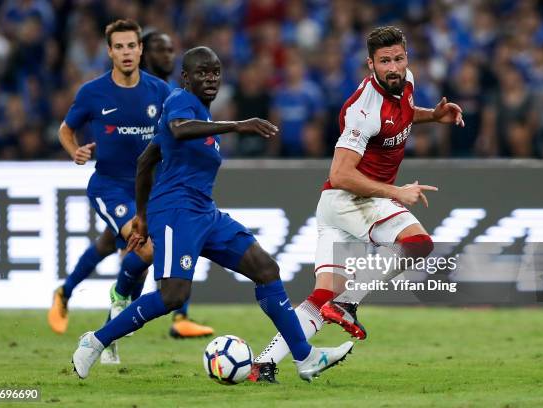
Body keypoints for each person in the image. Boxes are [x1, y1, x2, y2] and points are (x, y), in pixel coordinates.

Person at [72, 46, 353, 382]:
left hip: (204, 211)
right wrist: (237, 125)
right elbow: (177, 128)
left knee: (265, 268)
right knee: (172, 296)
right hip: (176, 211)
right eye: (202, 72)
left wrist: (143, 217)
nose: (210, 78)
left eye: (215, 72)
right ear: (186, 78)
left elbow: (146, 161)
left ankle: (305, 358)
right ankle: (96, 340)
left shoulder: (203, 115)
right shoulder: (181, 101)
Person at [250, 26, 465, 383]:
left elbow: (405, 112)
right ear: (371, 65)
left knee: (321, 294)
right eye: (384, 62)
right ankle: (347, 302)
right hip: (351, 199)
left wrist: (433, 116)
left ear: (406, 58)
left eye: (398, 58)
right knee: (418, 243)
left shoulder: (406, 81)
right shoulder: (362, 110)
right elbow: (341, 174)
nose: (393, 67)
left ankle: (263, 365)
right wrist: (396, 192)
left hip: (334, 207)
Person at [52, 19, 171, 362]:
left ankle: (108, 333)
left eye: (131, 46)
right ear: (110, 52)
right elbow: (65, 128)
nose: (126, 52)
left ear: (140, 49)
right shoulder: (93, 92)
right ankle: (119, 299)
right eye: (119, 47)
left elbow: (175, 131)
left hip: (149, 190)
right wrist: (73, 150)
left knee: (143, 260)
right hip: (110, 187)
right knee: (143, 246)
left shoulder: (160, 92)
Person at [140, 30, 214, 339]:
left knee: (155, 251)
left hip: (165, 179)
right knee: (132, 253)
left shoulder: (177, 92)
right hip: (141, 183)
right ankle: (115, 308)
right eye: (160, 49)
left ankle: (180, 315)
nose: (167, 54)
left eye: (171, 49)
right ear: (145, 53)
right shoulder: (148, 93)